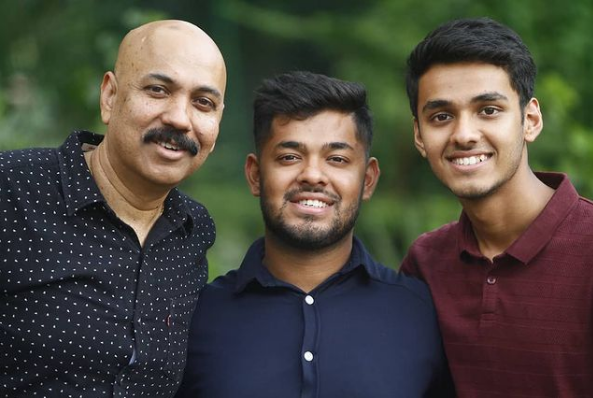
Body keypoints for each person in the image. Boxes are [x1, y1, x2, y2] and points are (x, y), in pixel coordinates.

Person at [174, 71, 454, 398]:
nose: (312, 175)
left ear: (368, 180)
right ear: (254, 175)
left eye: (337, 159)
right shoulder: (196, 315)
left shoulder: (419, 312)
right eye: (289, 157)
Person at [0, 20, 226, 397]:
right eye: (158, 89)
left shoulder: (192, 231)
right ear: (109, 96)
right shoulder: (12, 190)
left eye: (203, 103)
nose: (179, 118)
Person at [401, 17, 593, 397]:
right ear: (420, 137)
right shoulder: (425, 263)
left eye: (488, 110)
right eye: (441, 116)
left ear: (530, 120)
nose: (464, 134)